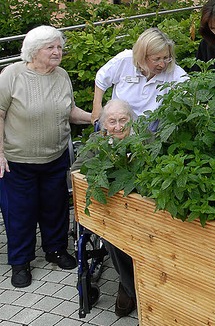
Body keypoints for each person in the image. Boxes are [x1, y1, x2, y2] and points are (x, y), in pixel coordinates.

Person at [0, 25, 92, 288]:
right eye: (50, 47)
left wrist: (97, 117)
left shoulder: (62, 76)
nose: (57, 51)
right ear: (33, 51)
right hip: (18, 161)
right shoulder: (12, 75)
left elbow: (70, 111)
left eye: (59, 47)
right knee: (20, 213)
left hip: (55, 157)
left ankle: (55, 250)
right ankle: (20, 262)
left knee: (56, 208)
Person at [71, 99, 137, 317]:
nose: (118, 127)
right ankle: (129, 287)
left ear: (131, 120)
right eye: (112, 121)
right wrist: (98, 180)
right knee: (114, 239)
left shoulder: (145, 141)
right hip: (110, 212)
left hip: (139, 211)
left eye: (123, 120)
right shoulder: (96, 143)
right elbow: (76, 172)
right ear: (102, 124)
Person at [91, 27, 188, 124]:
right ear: (142, 56)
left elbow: (188, 89)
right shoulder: (124, 60)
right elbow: (101, 78)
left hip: (153, 128)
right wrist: (96, 108)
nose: (162, 64)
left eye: (166, 58)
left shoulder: (174, 72)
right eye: (157, 59)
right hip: (120, 125)